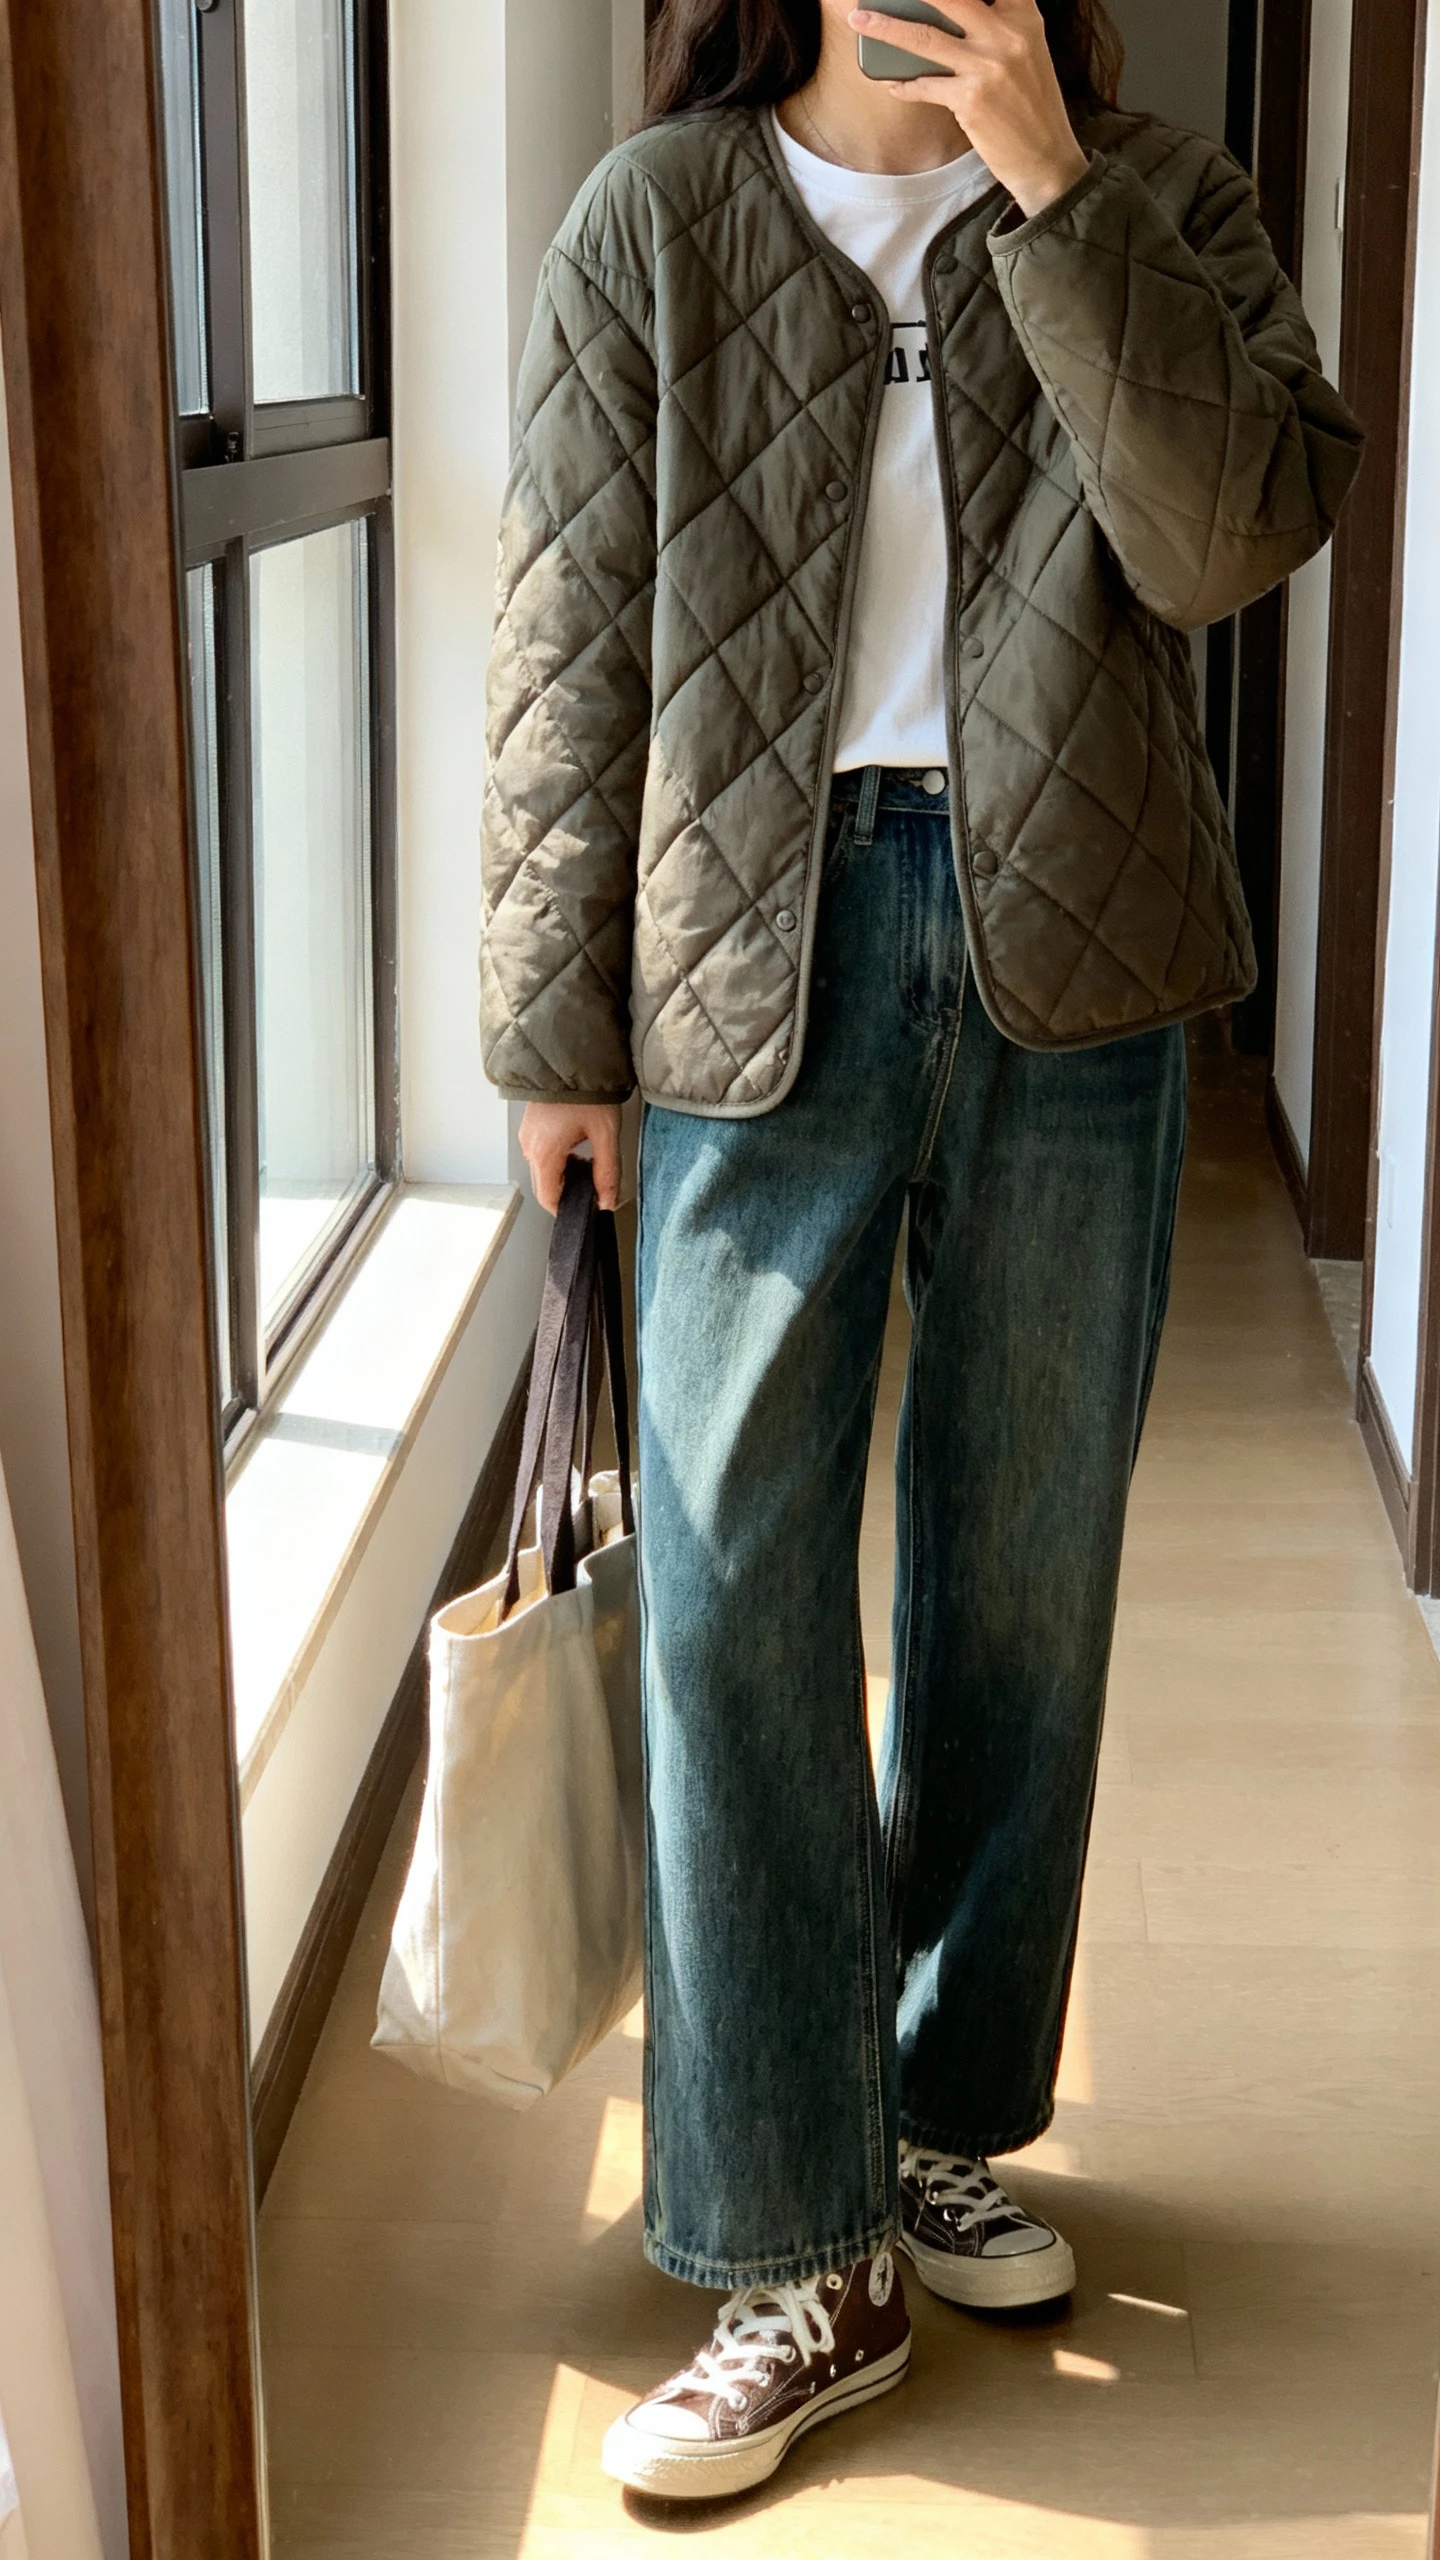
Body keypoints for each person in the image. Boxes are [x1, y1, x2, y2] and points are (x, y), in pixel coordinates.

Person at [481, 0, 1361, 2504]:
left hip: (1078, 953)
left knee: (1021, 1564)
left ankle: (938, 2109)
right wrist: (548, 1031)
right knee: (731, 1577)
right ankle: (794, 2232)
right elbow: (566, 627)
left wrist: (1057, 190)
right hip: (744, 971)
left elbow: (1225, 543)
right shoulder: (655, 216)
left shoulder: (1160, 197)